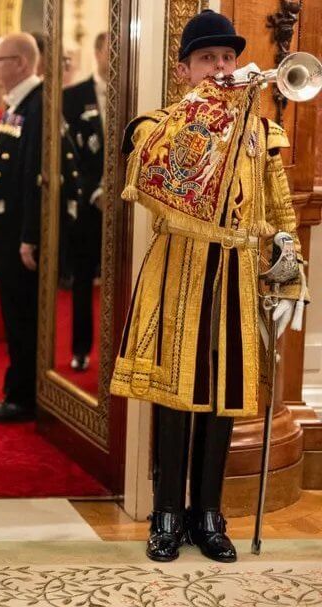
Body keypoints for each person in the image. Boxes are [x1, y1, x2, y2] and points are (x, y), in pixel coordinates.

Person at [110, 10, 308, 563]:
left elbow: (277, 202)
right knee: (176, 394)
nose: (221, 68)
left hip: (238, 273)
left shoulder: (261, 130)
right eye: (208, 60)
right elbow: (155, 177)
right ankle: (167, 512)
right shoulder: (156, 124)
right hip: (181, 269)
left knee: (225, 399)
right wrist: (209, 108)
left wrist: (288, 252)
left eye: (228, 58)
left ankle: (208, 514)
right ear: (183, 71)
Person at [0, 33, 44, 422]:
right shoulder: (19, 105)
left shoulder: (36, 105)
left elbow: (36, 173)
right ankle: (17, 391)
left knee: (21, 314)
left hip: (17, 229)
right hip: (2, 224)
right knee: (15, 311)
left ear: (19, 62)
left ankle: (22, 397)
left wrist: (30, 235)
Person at [61, 32, 109, 371]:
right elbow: (69, 155)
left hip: (125, 203)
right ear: (97, 53)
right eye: (111, 50)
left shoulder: (138, 92)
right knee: (81, 279)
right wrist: (94, 192)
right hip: (86, 202)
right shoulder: (72, 97)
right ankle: (81, 349)